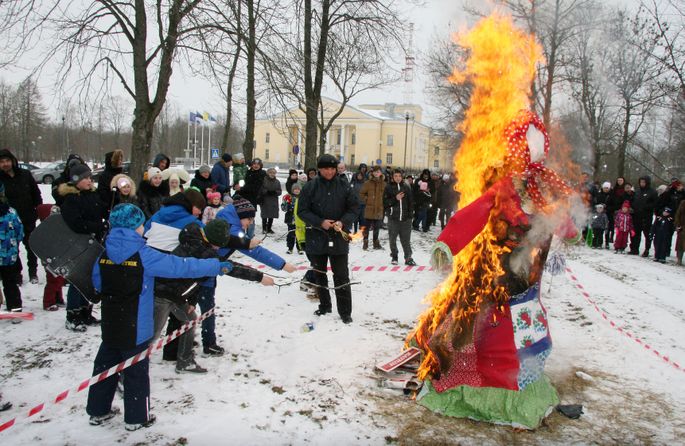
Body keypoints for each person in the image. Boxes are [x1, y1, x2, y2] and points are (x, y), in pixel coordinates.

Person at [86, 203, 232, 431]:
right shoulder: (145, 256)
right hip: (136, 325)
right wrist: (216, 265)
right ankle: (136, 419)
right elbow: (182, 266)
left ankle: (98, 411)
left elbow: (97, 282)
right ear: (135, 228)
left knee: (105, 366)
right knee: (135, 372)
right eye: (141, 225)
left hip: (111, 321)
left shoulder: (103, 254)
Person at [189, 219, 273, 356]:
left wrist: (248, 243)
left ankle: (180, 344)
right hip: (197, 284)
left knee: (190, 313)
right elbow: (231, 268)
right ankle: (207, 344)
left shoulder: (196, 235)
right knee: (206, 312)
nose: (218, 249)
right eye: (217, 245)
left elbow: (232, 242)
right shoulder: (205, 252)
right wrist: (259, 277)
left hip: (196, 282)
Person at [297, 154, 359, 324]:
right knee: (320, 274)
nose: (330, 172)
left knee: (341, 275)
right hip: (316, 237)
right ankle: (325, 305)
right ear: (319, 169)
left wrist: (343, 221)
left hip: (338, 237)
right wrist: (320, 222)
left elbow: (354, 208)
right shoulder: (310, 187)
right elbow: (301, 211)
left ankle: (345, 312)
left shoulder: (344, 186)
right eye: (326, 168)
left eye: (332, 168)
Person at [58, 164, 108, 331]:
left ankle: (86, 313)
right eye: (85, 178)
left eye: (89, 177)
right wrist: (96, 226)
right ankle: (72, 316)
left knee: (89, 279)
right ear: (76, 180)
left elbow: (101, 210)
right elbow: (75, 223)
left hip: (93, 242)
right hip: (78, 244)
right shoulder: (71, 199)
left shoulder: (92, 195)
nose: (89, 180)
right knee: (78, 281)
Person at [0, 149, 42, 284]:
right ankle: (16, 275)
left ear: (12, 161)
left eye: (7, 161)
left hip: (28, 217)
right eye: (1, 162)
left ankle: (33, 273)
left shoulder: (25, 174)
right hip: (9, 222)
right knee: (12, 249)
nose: (5, 164)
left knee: (31, 246)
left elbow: (36, 194)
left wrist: (37, 210)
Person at [37, 203, 66, 311]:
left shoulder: (57, 228)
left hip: (59, 258)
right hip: (51, 260)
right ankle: (48, 302)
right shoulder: (44, 231)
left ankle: (58, 298)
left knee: (60, 279)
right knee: (53, 281)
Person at [0, 182, 24, 312]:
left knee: (10, 282)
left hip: (8, 254)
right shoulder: (11, 212)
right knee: (10, 283)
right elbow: (20, 231)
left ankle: (14, 307)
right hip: (9, 254)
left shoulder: (10, 212)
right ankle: (15, 307)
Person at [384, 169, 415, 266]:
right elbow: (385, 202)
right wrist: (395, 199)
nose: (397, 178)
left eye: (399, 176)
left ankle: (408, 257)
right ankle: (394, 256)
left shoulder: (406, 187)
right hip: (393, 219)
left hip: (406, 219)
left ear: (402, 177)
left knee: (406, 240)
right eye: (395, 176)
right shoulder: (388, 187)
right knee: (392, 239)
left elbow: (411, 202)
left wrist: (410, 216)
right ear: (392, 177)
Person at [630, 176, 657, 256]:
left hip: (646, 216)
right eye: (641, 182)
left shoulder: (652, 192)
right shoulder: (637, 191)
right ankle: (635, 249)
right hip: (636, 215)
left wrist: (646, 207)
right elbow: (634, 201)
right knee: (636, 233)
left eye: (643, 182)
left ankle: (647, 249)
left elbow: (655, 203)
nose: (642, 184)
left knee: (647, 234)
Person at [359, 165, 385, 250]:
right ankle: (365, 242)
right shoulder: (367, 183)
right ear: (372, 173)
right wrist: (367, 199)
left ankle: (375, 243)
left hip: (379, 209)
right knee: (366, 227)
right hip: (369, 209)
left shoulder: (384, 184)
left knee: (377, 227)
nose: (376, 173)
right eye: (375, 172)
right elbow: (361, 194)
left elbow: (386, 196)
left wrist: (383, 202)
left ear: (381, 173)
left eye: (378, 172)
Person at [259, 167, 282, 234]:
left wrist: (275, 192)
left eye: (274, 173)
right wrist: (266, 192)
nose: (272, 174)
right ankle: (264, 228)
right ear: (268, 173)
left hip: (273, 200)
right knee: (264, 214)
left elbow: (279, 191)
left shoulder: (277, 182)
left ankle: (269, 228)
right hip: (265, 200)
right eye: (271, 172)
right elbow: (261, 189)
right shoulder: (264, 180)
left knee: (272, 215)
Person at [593, 181, 613, 248]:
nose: (606, 189)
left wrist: (606, 207)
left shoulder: (611, 195)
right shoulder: (599, 194)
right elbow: (596, 202)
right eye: (604, 188)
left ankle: (607, 242)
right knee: (598, 230)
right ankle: (597, 242)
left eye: (607, 188)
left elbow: (614, 204)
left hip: (608, 213)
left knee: (607, 229)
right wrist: (599, 206)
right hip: (599, 212)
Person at [283, 182, 301, 254]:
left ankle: (300, 248)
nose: (296, 190)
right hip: (290, 219)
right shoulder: (288, 197)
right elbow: (283, 208)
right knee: (291, 234)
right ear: (292, 190)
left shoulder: (302, 197)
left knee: (299, 234)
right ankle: (290, 248)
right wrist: (288, 206)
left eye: (298, 189)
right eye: (295, 189)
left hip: (300, 219)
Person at [675, 200, 685, 266]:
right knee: (680, 245)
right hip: (682, 227)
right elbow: (678, 214)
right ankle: (679, 259)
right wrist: (678, 225)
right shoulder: (683, 203)